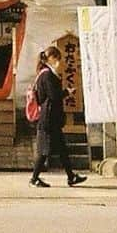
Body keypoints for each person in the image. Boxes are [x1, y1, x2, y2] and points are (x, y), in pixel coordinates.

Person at [29, 46, 86, 188]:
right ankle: (34, 179)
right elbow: (53, 96)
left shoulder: (44, 74)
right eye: (58, 59)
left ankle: (71, 176)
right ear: (51, 58)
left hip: (51, 118)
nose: (59, 62)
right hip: (48, 119)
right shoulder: (47, 75)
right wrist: (66, 92)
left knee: (62, 149)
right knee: (44, 151)